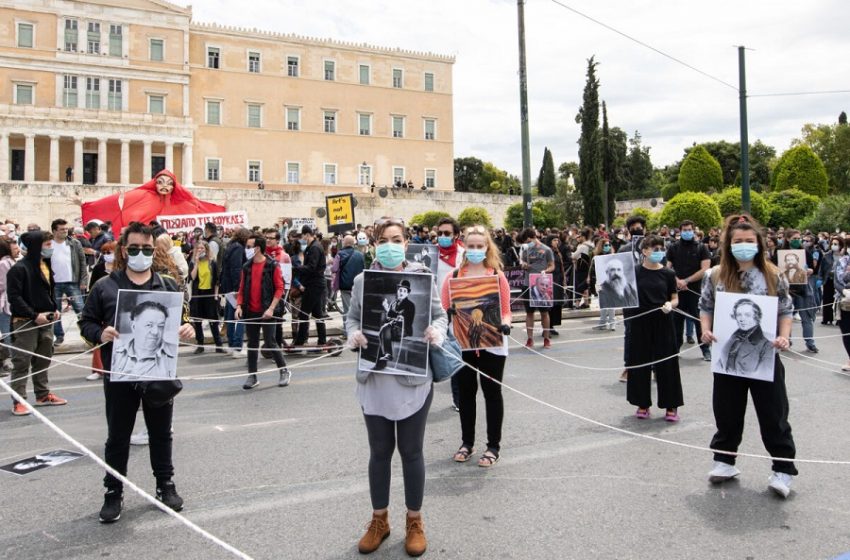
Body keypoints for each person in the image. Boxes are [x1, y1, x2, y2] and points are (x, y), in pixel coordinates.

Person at [79, 221, 195, 522]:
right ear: (123, 250)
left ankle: (165, 485)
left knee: (161, 433)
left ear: (153, 250)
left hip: (159, 373)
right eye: (134, 249)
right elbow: (86, 323)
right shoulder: (105, 286)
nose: (140, 254)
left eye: (146, 249)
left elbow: (184, 319)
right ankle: (113, 492)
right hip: (120, 376)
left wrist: (187, 328)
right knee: (118, 436)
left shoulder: (167, 285)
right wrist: (100, 333)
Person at [345, 217, 447, 557]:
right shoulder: (362, 280)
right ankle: (379, 520)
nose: (391, 244)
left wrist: (437, 332)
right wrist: (353, 335)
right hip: (374, 378)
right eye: (384, 239)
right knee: (379, 452)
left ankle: (414, 521)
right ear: (375, 243)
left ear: (406, 242)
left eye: (397, 239)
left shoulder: (422, 279)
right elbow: (353, 317)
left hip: (412, 379)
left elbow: (438, 315)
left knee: (412, 451)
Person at [699, 214, 797, 498]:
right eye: (738, 241)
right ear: (728, 244)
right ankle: (724, 460)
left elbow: (785, 310)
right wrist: (706, 331)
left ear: (759, 243)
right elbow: (705, 307)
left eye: (749, 241)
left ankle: (783, 468)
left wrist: (784, 336)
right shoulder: (714, 275)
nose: (743, 245)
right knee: (726, 410)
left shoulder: (773, 274)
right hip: (727, 355)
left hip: (765, 356)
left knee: (773, 412)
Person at [441, 225, 512, 468]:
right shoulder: (453, 277)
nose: (474, 250)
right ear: (464, 247)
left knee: (492, 394)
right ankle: (467, 443)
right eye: (470, 246)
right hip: (463, 345)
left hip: (492, 345)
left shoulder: (496, 276)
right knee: (466, 394)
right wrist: (448, 313)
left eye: (479, 246)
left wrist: (504, 324)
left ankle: (493, 446)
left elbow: (506, 311)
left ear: (487, 247)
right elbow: (442, 311)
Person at [6, 230, 67, 416]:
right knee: (22, 362)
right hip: (25, 322)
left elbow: (49, 291)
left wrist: (54, 308)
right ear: (35, 247)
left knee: (43, 359)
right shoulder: (18, 269)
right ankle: (19, 400)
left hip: (46, 321)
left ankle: (42, 394)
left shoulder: (45, 265)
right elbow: (14, 298)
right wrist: (34, 315)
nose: (51, 248)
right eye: (47, 245)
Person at [625, 236, 683, 421]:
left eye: (661, 248)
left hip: (663, 320)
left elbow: (675, 298)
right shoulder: (633, 272)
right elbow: (620, 293)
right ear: (644, 251)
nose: (658, 251)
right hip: (640, 321)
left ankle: (671, 406)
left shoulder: (668, 274)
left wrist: (670, 304)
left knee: (667, 363)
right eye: (654, 248)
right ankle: (642, 403)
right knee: (640, 362)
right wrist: (603, 289)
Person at [235, 234, 291, 390]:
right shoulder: (246, 267)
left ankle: (284, 371)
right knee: (252, 344)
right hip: (250, 311)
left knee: (271, 341)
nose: (246, 249)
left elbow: (279, 288)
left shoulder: (272, 265)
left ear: (257, 248)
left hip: (267, 311)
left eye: (249, 246)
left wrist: (271, 308)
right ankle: (252, 376)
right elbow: (241, 289)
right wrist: (239, 306)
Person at [666, 220, 712, 362]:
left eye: (689, 229)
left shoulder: (701, 248)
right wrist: (677, 280)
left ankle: (705, 349)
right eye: (684, 230)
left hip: (696, 291)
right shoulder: (673, 248)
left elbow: (705, 268)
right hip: (677, 291)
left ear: (694, 231)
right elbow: (667, 267)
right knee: (676, 323)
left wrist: (687, 281)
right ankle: (675, 350)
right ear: (680, 231)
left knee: (699, 321)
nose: (687, 232)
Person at [775, 230, 818, 353]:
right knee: (785, 316)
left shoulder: (805, 252)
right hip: (784, 290)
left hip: (802, 290)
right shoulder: (779, 252)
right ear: (787, 239)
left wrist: (810, 271)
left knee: (806, 317)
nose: (797, 240)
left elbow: (813, 269)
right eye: (794, 238)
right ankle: (786, 340)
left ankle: (810, 343)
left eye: (799, 238)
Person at [111, 301, 178, 379]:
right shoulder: (117, 354)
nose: (155, 332)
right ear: (133, 326)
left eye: (161, 326)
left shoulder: (173, 353)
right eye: (149, 325)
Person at [48, 219, 89, 347]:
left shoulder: (74, 243)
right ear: (54, 231)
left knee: (80, 309)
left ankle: (88, 334)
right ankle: (59, 336)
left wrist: (83, 280)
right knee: (56, 311)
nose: (65, 231)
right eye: (62, 229)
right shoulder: (48, 244)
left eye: (66, 229)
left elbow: (83, 262)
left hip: (72, 281)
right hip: (54, 283)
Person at [85, 241, 117, 381]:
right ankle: (98, 369)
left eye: (109, 252)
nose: (106, 255)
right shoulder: (99, 268)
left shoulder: (122, 268)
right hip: (101, 307)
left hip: (115, 306)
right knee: (101, 338)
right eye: (104, 253)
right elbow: (92, 287)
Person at [292, 226, 328, 351]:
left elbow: (311, 267)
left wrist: (295, 269)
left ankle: (300, 341)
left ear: (307, 235)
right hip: (314, 284)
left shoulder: (314, 248)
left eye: (302, 236)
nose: (302, 239)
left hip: (314, 285)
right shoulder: (313, 246)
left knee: (303, 313)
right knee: (317, 314)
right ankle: (322, 340)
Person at [716, 299, 773, 376]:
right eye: (739, 315)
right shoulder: (732, 339)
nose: (742, 319)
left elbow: (764, 374)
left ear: (756, 317)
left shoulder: (766, 345)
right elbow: (720, 365)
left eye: (747, 315)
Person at [519, 228, 554, 348]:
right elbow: (522, 262)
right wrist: (523, 265)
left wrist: (545, 271)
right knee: (529, 313)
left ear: (533, 237)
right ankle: (530, 339)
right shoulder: (525, 250)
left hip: (542, 283)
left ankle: (546, 339)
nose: (527, 242)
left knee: (544, 313)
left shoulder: (547, 249)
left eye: (528, 240)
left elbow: (552, 265)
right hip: (528, 284)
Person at [188, 240, 224, 354]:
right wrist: (197, 262)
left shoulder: (212, 262)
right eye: (198, 249)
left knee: (213, 320)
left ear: (207, 250)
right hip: (198, 294)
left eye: (202, 248)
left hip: (210, 293)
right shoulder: (193, 262)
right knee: (198, 320)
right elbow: (192, 278)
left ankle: (218, 344)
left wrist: (216, 295)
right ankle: (200, 344)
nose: (200, 250)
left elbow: (217, 280)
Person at [220, 227, 249, 356]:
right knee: (239, 316)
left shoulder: (231, 245)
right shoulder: (238, 248)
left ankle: (231, 345)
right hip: (234, 287)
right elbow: (236, 269)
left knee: (230, 316)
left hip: (228, 286)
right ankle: (237, 347)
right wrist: (239, 289)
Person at [332, 235, 365, 336]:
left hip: (345, 286)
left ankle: (348, 333)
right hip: (359, 286)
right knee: (359, 309)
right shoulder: (360, 255)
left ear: (345, 243)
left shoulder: (340, 255)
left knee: (347, 310)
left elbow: (334, 269)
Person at [820, 237, 844, 326]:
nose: (834, 246)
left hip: (840, 281)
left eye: (836, 244)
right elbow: (821, 268)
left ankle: (839, 318)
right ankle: (827, 318)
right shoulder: (827, 255)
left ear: (841, 245)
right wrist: (820, 278)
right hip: (829, 279)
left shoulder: (845, 255)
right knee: (827, 299)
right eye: (832, 244)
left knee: (839, 300)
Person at [833, 245, 850, 371]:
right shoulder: (842, 261)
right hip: (845, 301)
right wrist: (844, 290)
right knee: (846, 332)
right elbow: (837, 281)